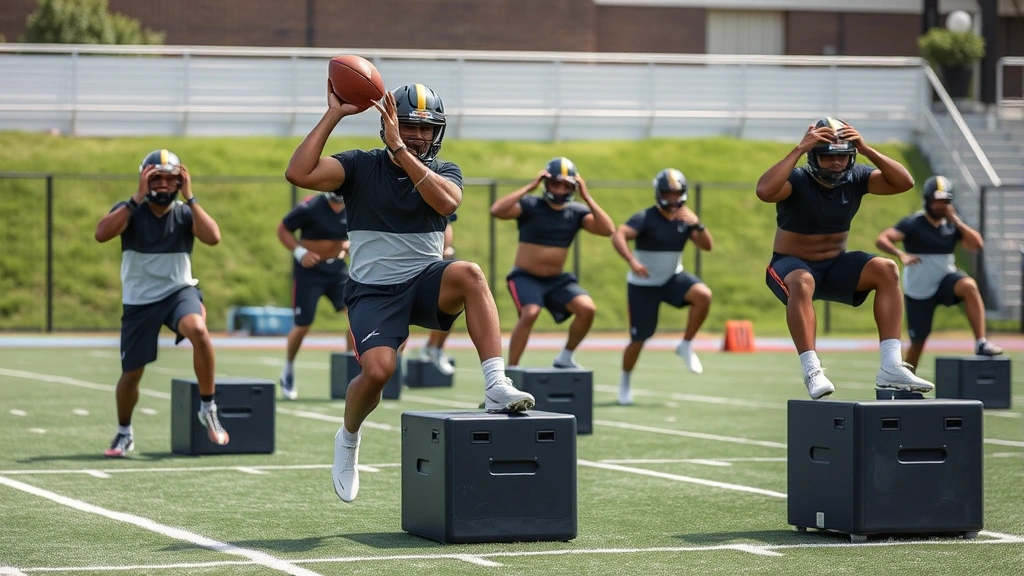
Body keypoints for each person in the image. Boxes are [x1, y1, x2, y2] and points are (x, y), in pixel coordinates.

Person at [285, 81, 534, 503]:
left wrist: (403, 151)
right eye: (407, 125)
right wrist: (334, 115)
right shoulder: (360, 166)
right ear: (387, 123)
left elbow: (446, 204)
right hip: (373, 292)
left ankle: (495, 383)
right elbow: (299, 173)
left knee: (471, 273)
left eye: (425, 127)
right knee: (379, 372)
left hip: (424, 282)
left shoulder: (446, 171)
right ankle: (348, 438)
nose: (417, 134)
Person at [755, 117, 934, 399]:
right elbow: (764, 191)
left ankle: (891, 365)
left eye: (842, 156)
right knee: (802, 281)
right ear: (814, 157)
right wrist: (798, 149)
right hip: (791, 266)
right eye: (828, 157)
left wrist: (866, 149)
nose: (837, 164)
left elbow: (904, 182)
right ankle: (812, 370)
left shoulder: (857, 177)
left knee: (886, 268)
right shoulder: (798, 179)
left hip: (834, 268)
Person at [94, 149, 228, 457]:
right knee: (132, 373)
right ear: (144, 178)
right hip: (140, 302)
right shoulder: (130, 210)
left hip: (178, 292)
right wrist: (136, 197)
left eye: (172, 179)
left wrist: (192, 198)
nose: (165, 185)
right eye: (157, 178)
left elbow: (214, 237)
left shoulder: (184, 213)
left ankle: (208, 406)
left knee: (198, 329)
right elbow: (101, 234)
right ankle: (124, 432)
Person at [489, 157, 616, 369]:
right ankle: (511, 370)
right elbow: (497, 210)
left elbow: (607, 229)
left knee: (587, 309)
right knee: (531, 312)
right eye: (556, 183)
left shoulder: (576, 212)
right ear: (546, 183)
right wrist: (530, 186)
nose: (560, 189)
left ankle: (565, 357)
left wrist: (587, 197)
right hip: (525, 276)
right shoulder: (531, 205)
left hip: (556, 280)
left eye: (566, 185)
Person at [875, 175, 1003, 370]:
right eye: (937, 201)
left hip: (945, 280)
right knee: (918, 341)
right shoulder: (914, 223)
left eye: (945, 201)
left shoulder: (952, 225)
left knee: (968, 285)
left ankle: (981, 342)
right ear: (927, 200)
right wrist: (901, 254)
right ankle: (905, 381)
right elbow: (883, 239)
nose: (941, 206)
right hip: (920, 288)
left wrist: (956, 220)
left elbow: (976, 244)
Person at [611, 168, 714, 405]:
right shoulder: (646, 217)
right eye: (667, 193)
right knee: (639, 338)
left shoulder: (685, 219)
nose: (672, 198)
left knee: (703, 295)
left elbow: (707, 246)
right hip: (643, 285)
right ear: (659, 194)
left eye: (676, 193)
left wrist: (697, 223)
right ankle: (625, 381)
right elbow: (619, 234)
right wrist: (632, 261)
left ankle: (686, 344)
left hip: (670, 279)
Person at [276, 192, 356, 400]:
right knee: (303, 324)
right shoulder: (310, 207)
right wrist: (300, 253)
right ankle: (288, 369)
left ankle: (350, 370)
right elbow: (283, 229)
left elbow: (363, 232)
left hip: (337, 269)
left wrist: (351, 243)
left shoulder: (355, 204)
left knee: (356, 316)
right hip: (309, 272)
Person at [419, 212, 458, 376]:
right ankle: (394, 359)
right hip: (415, 263)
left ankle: (434, 348)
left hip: (442, 262)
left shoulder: (442, 206)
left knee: (449, 308)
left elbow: (448, 224)